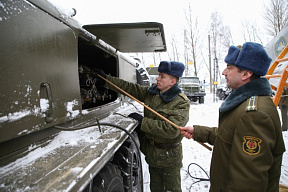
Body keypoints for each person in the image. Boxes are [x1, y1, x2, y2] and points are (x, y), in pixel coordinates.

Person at [180, 42, 286, 191]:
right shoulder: (246, 103)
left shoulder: (254, 114)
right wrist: (198, 132)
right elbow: (232, 138)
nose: (224, 72)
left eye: (229, 67)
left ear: (246, 74)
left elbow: (247, 184)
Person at [96, 61, 190, 192]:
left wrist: (143, 122)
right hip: (153, 155)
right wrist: (106, 79)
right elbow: (130, 88)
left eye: (162, 76)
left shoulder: (181, 102)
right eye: (159, 75)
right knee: (156, 189)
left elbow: (172, 130)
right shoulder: (153, 93)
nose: (157, 78)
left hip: (169, 158)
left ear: (173, 81)